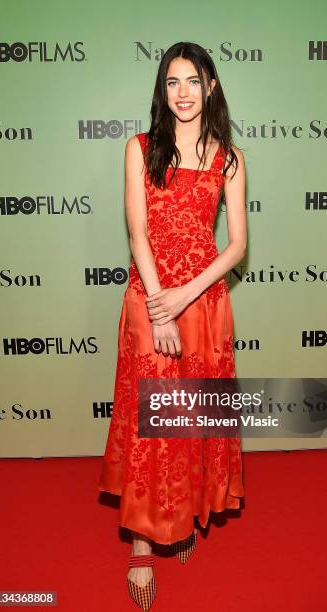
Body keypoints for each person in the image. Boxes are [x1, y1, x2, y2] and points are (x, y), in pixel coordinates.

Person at [98, 41, 247, 610]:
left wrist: (189, 294)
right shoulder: (140, 148)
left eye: (193, 81)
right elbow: (138, 234)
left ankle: (181, 517)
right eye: (172, 82)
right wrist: (162, 305)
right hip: (151, 298)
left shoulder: (229, 158)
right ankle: (142, 543)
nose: (182, 93)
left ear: (210, 86)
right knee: (153, 426)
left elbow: (236, 246)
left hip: (205, 304)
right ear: (162, 91)